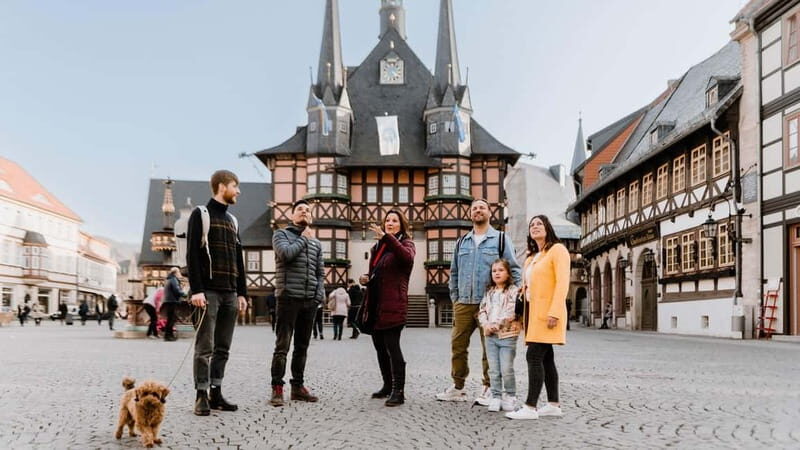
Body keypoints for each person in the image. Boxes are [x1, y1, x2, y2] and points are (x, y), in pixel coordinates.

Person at [436, 198, 521, 405]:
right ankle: (458, 387)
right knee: (458, 345)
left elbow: (514, 269)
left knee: (489, 347)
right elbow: (454, 273)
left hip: (491, 304)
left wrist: (514, 300)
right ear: (470, 214)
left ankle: (488, 387)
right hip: (464, 302)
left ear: (489, 212)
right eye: (474, 208)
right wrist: (455, 298)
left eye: (482, 207)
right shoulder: (461, 242)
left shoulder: (500, 239)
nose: (478, 211)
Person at [187, 170, 248, 416]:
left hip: (230, 293)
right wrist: (197, 290)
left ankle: (216, 392)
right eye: (235, 186)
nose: (239, 191)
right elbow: (192, 254)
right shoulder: (200, 214)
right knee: (205, 347)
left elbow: (238, 259)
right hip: (208, 293)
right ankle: (201, 395)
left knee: (223, 347)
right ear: (222, 186)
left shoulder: (232, 220)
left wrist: (242, 293)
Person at [506, 215, 570, 420]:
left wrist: (555, 312)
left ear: (547, 227)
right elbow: (526, 287)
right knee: (547, 358)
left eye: (539, 224)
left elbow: (562, 283)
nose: (535, 227)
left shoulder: (558, 250)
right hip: (533, 313)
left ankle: (530, 407)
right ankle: (553, 404)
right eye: (532, 225)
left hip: (548, 313)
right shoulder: (532, 257)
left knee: (533, 356)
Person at [269, 199, 324, 407]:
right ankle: (277, 388)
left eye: (308, 210)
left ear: (311, 217)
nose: (304, 212)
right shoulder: (281, 235)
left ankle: (297, 387)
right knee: (282, 345)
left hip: (309, 301)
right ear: (292, 216)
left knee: (302, 346)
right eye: (300, 209)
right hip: (288, 297)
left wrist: (318, 296)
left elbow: (320, 272)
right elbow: (286, 255)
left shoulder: (317, 243)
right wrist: (303, 238)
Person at [364, 210, 415, 407]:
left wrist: (388, 238)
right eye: (387, 220)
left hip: (394, 304)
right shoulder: (378, 247)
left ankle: (398, 391)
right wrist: (366, 279)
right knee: (380, 347)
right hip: (377, 304)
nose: (390, 223)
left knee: (393, 347)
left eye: (394, 221)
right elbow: (378, 272)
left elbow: (406, 259)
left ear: (402, 225)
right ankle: (387, 385)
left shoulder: (406, 244)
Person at [477, 259, 521, 412]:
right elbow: (482, 310)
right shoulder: (489, 292)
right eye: (494, 270)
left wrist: (498, 324)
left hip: (507, 336)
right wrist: (486, 325)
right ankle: (496, 396)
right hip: (490, 336)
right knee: (493, 369)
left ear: (508, 273)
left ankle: (510, 395)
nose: (497, 273)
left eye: (501, 270)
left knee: (506, 368)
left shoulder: (513, 291)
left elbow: (512, 311)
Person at [162, 267, 186, 341]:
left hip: (169, 301)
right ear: (175, 273)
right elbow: (177, 290)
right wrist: (185, 294)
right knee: (171, 319)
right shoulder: (174, 280)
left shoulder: (169, 279)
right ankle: (169, 336)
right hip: (172, 301)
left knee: (170, 319)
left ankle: (168, 335)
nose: (180, 274)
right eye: (179, 272)